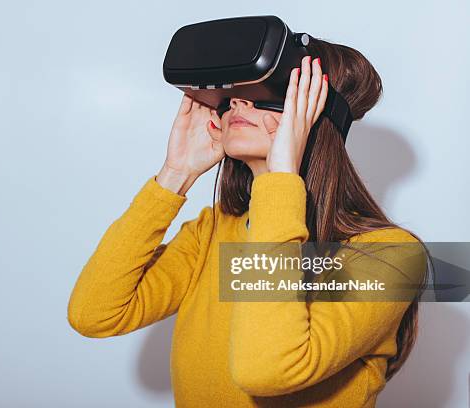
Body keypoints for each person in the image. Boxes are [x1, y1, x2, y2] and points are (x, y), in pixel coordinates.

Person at [67, 38, 428, 407]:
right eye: (233, 93)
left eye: (267, 92)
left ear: (316, 114)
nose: (238, 101)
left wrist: (282, 177)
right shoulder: (211, 232)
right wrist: (175, 174)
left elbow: (266, 370)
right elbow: (94, 314)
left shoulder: (392, 256)